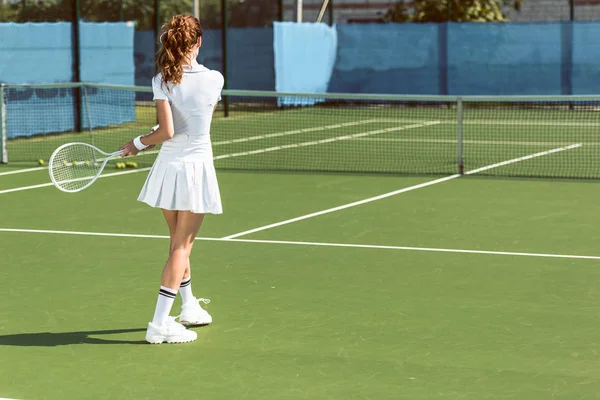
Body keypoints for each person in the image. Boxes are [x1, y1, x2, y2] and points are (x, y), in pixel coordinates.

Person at [119, 14, 224, 344]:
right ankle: (160, 324)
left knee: (178, 244)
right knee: (182, 246)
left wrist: (137, 143)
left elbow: (166, 131)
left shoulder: (162, 79)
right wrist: (146, 139)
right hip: (194, 169)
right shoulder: (214, 79)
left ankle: (189, 306)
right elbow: (184, 126)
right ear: (198, 42)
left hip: (167, 169)